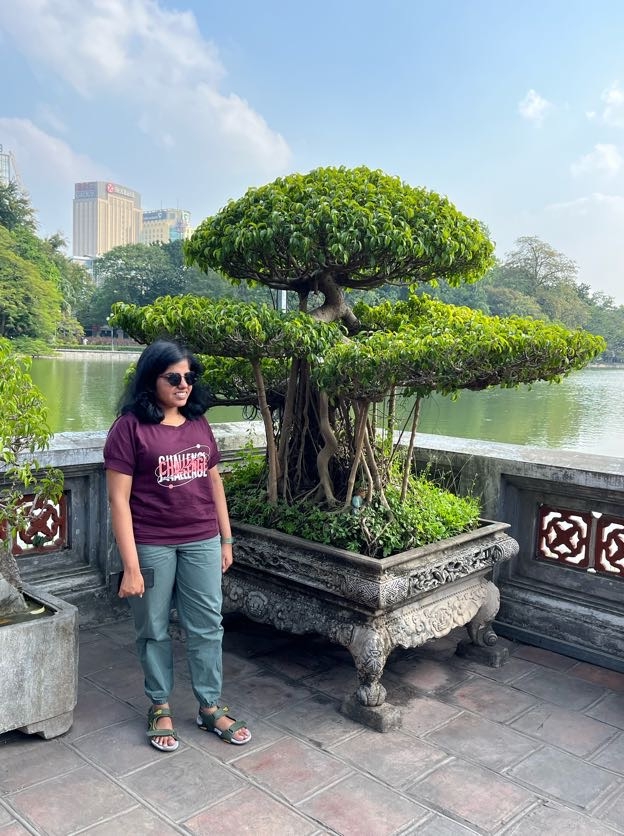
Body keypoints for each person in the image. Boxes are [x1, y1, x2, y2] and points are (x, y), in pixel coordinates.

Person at [103, 339, 251, 751]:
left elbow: (214, 481)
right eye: (174, 377)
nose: (184, 384)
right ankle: (160, 704)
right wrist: (131, 567)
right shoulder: (129, 427)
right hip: (152, 542)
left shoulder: (198, 422)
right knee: (153, 628)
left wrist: (225, 538)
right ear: (151, 379)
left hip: (202, 538)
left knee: (207, 626)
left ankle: (209, 706)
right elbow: (118, 501)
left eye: (189, 377)